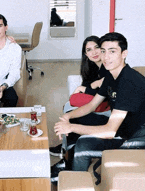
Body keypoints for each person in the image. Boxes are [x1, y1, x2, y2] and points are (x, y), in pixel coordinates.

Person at [52, 32, 145, 185]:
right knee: (75, 118)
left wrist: (70, 126)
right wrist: (68, 118)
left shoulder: (130, 82)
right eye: (103, 51)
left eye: (112, 51)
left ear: (124, 54)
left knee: (83, 146)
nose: (106, 57)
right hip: (122, 125)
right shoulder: (111, 74)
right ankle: (67, 163)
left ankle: (76, 185)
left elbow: (110, 131)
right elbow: (91, 105)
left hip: (136, 136)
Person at [50, 36, 111, 181]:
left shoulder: (109, 67)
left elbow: (103, 94)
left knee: (73, 115)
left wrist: (87, 88)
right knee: (69, 111)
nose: (94, 52)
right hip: (98, 105)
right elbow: (95, 93)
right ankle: (67, 152)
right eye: (89, 50)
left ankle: (68, 161)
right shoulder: (93, 68)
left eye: (96, 47)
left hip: (108, 112)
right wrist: (91, 87)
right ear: (85, 54)